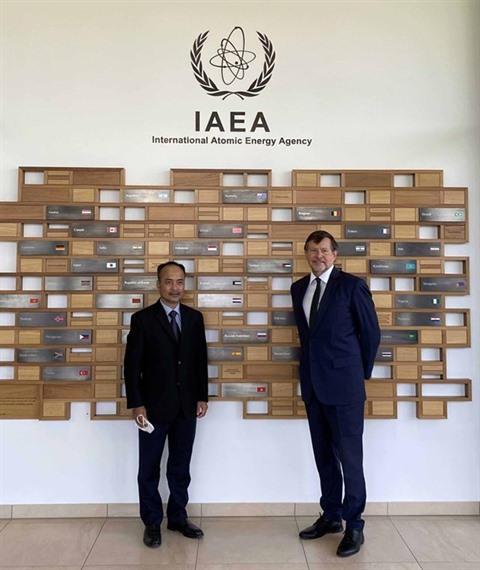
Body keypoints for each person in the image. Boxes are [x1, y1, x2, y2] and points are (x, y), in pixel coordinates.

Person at [290, 230, 381, 557]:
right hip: (314, 387)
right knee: (324, 457)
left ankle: (354, 525)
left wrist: (357, 373)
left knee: (350, 459)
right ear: (306, 254)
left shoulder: (352, 286)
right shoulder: (298, 288)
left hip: (345, 388)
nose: (319, 256)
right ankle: (331, 516)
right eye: (313, 250)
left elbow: (371, 334)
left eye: (325, 250)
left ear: (335, 254)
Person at [124, 261, 208, 548]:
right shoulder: (143, 319)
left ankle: (178, 517)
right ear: (158, 284)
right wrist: (137, 404)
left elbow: (200, 360)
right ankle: (151, 522)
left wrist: (202, 396)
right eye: (169, 282)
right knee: (149, 468)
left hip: (187, 407)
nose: (175, 287)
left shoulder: (194, 318)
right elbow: (132, 366)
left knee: (180, 466)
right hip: (153, 408)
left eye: (180, 282)